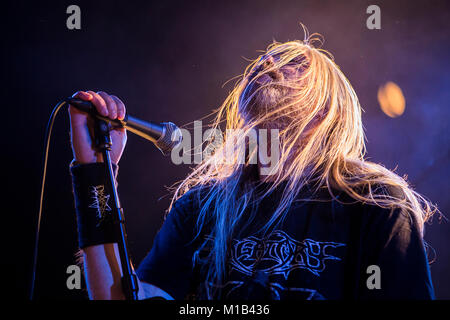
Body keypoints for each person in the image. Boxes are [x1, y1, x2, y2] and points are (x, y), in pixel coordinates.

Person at [68, 36, 437, 300]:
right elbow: (121, 297)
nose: (267, 63)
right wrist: (95, 172)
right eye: (266, 58)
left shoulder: (373, 202)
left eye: (294, 65)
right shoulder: (202, 208)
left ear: (326, 110)